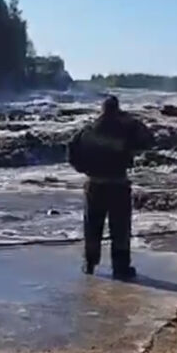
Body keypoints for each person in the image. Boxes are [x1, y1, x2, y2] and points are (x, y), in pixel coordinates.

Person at [68, 95, 154, 279]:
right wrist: (131, 119)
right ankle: (120, 268)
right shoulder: (126, 129)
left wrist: (84, 169)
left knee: (92, 226)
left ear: (101, 109)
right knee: (120, 229)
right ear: (117, 110)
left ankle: (89, 264)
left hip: (94, 183)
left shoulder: (88, 130)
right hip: (118, 184)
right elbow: (148, 141)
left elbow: (72, 151)